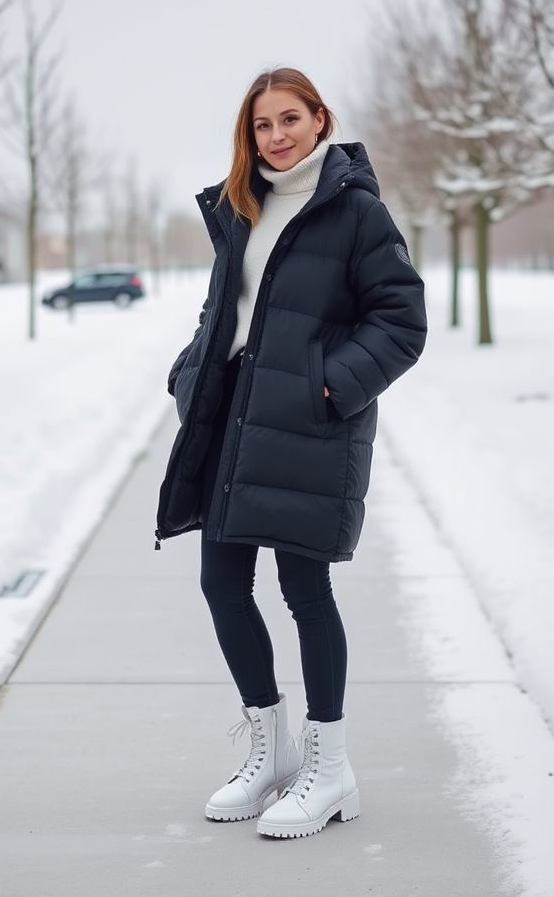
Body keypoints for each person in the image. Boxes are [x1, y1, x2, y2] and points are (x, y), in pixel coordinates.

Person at [155, 66, 427, 840]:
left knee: (305, 589)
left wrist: (328, 389)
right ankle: (269, 751)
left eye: (288, 120)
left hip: (308, 423)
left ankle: (331, 769)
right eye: (261, 126)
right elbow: (223, 307)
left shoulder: (356, 212)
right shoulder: (243, 206)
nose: (275, 137)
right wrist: (189, 372)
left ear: (319, 119)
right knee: (220, 580)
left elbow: (401, 321)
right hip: (233, 418)